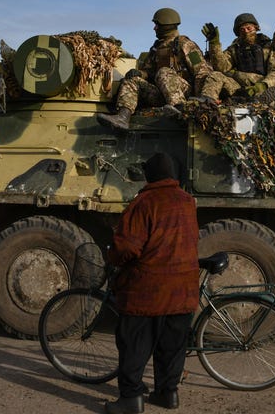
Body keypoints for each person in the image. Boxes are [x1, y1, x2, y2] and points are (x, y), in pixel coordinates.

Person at [104, 152, 200, 414]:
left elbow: (127, 247)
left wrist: (112, 256)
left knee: (134, 344)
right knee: (172, 345)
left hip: (147, 291)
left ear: (150, 175)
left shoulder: (144, 203)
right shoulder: (188, 201)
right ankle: (167, 394)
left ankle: (131, 399)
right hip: (184, 289)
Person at [97, 8, 215, 130]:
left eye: (157, 25)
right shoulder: (156, 48)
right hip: (162, 94)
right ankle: (123, 117)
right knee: (132, 80)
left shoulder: (185, 44)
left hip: (185, 95)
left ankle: (180, 110)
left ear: (166, 26)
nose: (154, 28)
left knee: (164, 72)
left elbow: (202, 71)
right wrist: (140, 73)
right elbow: (149, 72)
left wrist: (201, 102)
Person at [201, 13, 275, 103]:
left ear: (256, 28)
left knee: (261, 98)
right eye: (242, 29)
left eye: (249, 28)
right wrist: (214, 43)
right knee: (216, 75)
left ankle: (258, 102)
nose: (246, 31)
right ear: (238, 33)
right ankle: (206, 104)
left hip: (260, 87)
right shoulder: (234, 48)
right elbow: (222, 67)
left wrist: (262, 86)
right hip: (238, 87)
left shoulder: (267, 46)